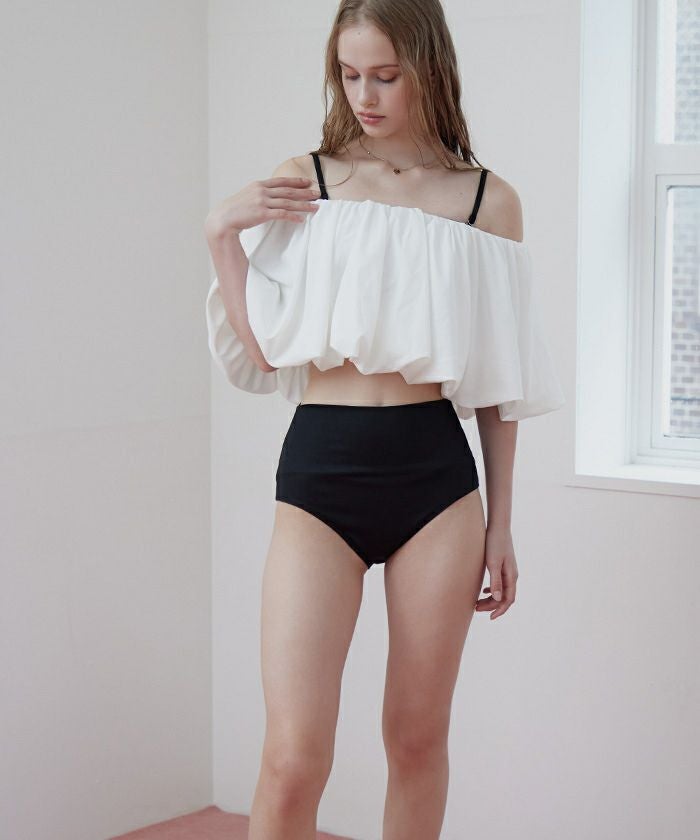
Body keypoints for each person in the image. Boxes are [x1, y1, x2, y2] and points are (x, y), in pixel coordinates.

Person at [203, 2, 565, 838]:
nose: (363, 95)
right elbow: (262, 353)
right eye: (349, 74)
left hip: (436, 485)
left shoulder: (487, 202)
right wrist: (221, 234)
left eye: (385, 76)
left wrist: (501, 525)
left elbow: (499, 384)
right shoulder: (309, 183)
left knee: (416, 739)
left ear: (428, 69)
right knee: (293, 758)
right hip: (320, 475)